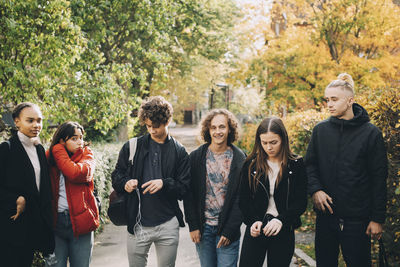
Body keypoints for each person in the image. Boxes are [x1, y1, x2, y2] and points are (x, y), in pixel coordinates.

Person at [305, 73, 388, 267]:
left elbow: (379, 178)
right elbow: (310, 165)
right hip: (326, 219)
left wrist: (377, 219)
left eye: (334, 99)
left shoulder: (371, 133)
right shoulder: (320, 131)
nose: (329, 104)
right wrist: (316, 190)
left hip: (357, 221)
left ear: (350, 100)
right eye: (327, 100)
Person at [111, 96, 190, 267]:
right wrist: (125, 183)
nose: (152, 130)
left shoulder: (179, 152)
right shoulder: (132, 146)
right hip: (138, 224)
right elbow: (116, 175)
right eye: (148, 126)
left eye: (156, 126)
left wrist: (165, 183)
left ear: (167, 121)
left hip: (168, 224)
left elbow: (184, 189)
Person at [239, 117, 307, 267]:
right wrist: (253, 221)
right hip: (256, 228)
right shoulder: (250, 164)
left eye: (273, 142)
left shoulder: (296, 165)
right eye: (264, 143)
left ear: (283, 139)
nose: (268, 147)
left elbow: (301, 202)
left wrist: (281, 220)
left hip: (283, 229)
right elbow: (243, 200)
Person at [183, 109, 245, 267]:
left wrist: (230, 230)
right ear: (208, 130)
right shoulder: (196, 157)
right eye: (214, 127)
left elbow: (241, 198)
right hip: (204, 230)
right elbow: (189, 194)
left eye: (222, 127)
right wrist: (194, 225)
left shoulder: (240, 158)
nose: (218, 131)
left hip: (227, 231)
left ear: (229, 129)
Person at [0, 102, 55, 267]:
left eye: (39, 120)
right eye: (30, 120)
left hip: (34, 228)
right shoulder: (6, 149)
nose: (36, 125)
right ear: (16, 121)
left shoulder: (39, 149)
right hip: (12, 229)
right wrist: (15, 199)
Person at [47, 121, 99, 267]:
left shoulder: (87, 155)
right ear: (62, 140)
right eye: (74, 138)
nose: (80, 142)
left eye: (81, 137)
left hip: (81, 224)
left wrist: (57, 149)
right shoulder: (50, 158)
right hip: (56, 224)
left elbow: (74, 173)